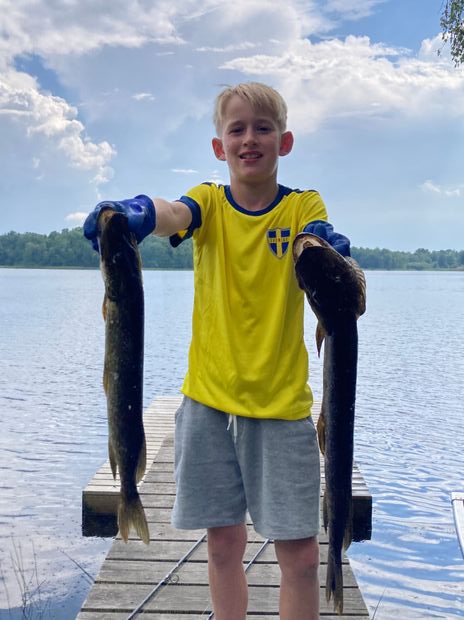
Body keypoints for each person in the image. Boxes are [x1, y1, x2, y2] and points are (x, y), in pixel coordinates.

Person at [84, 82, 350, 620]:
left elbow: (317, 235)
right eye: (237, 129)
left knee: (301, 557)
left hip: (281, 407)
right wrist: (137, 213)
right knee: (223, 546)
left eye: (263, 128)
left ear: (285, 142)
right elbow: (172, 214)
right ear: (219, 146)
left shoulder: (301, 206)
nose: (249, 139)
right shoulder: (208, 202)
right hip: (207, 404)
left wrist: (328, 247)